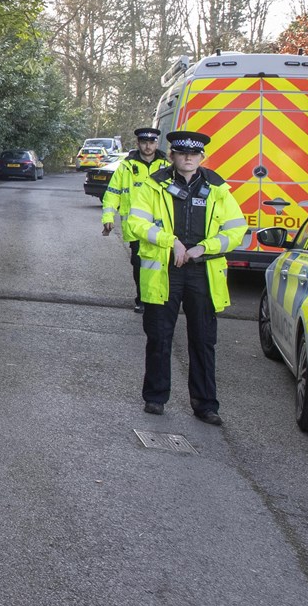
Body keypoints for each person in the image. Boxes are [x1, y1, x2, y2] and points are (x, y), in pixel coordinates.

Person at [123, 130, 247, 425]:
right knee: (159, 337)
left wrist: (204, 247)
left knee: (203, 341)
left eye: (194, 153)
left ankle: (205, 404)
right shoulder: (153, 186)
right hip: (165, 270)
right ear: (173, 156)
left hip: (203, 271)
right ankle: (155, 397)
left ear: (202, 157)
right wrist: (171, 242)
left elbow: (236, 230)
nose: (188, 157)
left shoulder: (218, 188)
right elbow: (136, 223)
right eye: (182, 153)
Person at [100, 127, 170, 314]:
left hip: (163, 226)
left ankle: (159, 297)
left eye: (152, 142)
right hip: (136, 226)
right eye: (144, 142)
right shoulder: (126, 166)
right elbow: (112, 193)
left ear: (157, 143)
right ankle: (143, 298)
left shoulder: (167, 165)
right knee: (140, 264)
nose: (148, 146)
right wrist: (108, 217)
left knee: (161, 263)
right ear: (138, 143)